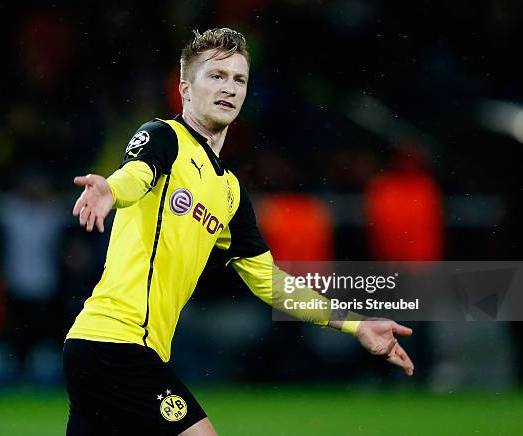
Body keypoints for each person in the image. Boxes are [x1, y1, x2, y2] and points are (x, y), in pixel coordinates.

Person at [63, 28, 414, 435]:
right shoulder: (163, 138)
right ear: (185, 88)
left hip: (107, 350)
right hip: (116, 344)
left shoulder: (229, 191)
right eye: (216, 76)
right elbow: (137, 173)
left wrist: (355, 325)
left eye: (239, 79)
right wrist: (111, 188)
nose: (229, 87)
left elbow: (271, 283)